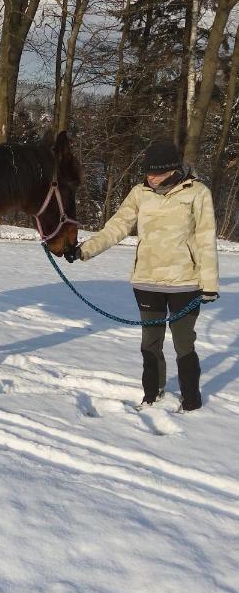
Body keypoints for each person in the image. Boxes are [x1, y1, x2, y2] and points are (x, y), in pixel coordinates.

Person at [66, 138, 220, 411]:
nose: (150, 177)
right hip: (147, 281)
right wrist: (84, 251)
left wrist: (209, 284)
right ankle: (152, 393)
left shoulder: (197, 193)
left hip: (185, 283)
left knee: (184, 343)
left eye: (156, 173)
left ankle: (192, 402)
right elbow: (117, 226)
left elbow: (206, 239)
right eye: (147, 172)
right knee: (150, 342)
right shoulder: (140, 193)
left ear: (173, 170)